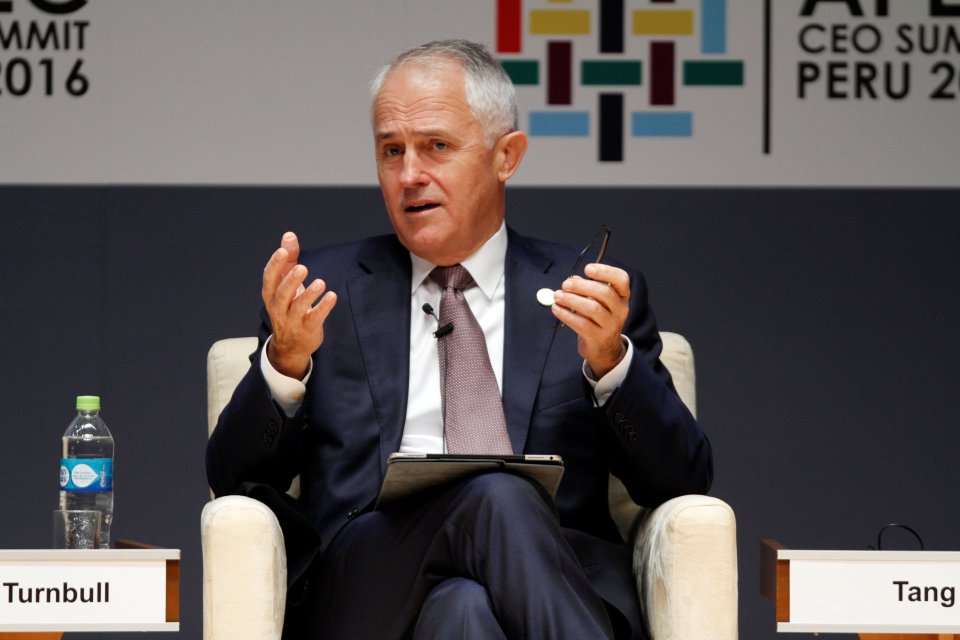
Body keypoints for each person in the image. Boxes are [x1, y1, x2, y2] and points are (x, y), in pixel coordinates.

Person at [206, 39, 712, 640]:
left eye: (436, 147)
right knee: (496, 496)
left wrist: (609, 365)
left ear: (507, 156)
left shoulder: (586, 295)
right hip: (367, 584)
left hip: (546, 579)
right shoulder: (322, 294)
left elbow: (682, 479)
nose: (410, 174)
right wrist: (286, 364)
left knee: (463, 611)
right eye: (391, 151)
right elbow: (231, 478)